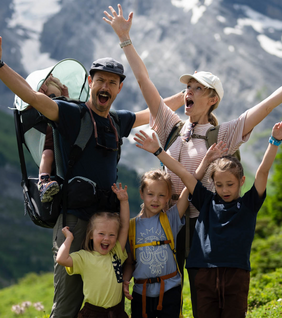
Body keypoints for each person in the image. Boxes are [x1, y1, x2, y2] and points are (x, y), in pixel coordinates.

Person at [104, 4, 282, 316]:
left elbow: (268, 104)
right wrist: (125, 39)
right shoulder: (169, 124)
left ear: (212, 98)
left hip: (202, 221)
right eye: (186, 86)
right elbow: (144, 81)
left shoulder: (226, 133)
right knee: (159, 288)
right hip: (166, 217)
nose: (187, 91)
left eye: (196, 88)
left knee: (199, 290)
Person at [0, 35, 183, 318]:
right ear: (90, 82)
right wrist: (0, 65)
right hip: (74, 221)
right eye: (100, 80)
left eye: (112, 82)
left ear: (119, 88)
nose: (105, 86)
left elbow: (153, 111)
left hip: (109, 222)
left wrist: (185, 96)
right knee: (69, 300)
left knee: (110, 299)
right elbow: (32, 97)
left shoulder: (117, 120)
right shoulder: (70, 113)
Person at [134, 116, 282, 318]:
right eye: (219, 185)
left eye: (230, 184)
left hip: (236, 274)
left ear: (242, 181)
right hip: (203, 273)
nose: (224, 189)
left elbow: (262, 172)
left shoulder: (249, 204)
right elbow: (184, 174)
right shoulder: (206, 201)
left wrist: (274, 141)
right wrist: (158, 151)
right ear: (213, 184)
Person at [122, 168, 217, 318]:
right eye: (150, 194)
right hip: (141, 292)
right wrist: (126, 280)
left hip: (170, 290)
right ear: (141, 194)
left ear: (168, 197)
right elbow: (129, 262)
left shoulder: (170, 219)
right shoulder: (131, 227)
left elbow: (189, 187)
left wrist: (205, 162)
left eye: (161, 195)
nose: (155, 199)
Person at [56, 183, 130, 318]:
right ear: (91, 235)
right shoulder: (84, 257)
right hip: (93, 313)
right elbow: (61, 259)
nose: (106, 239)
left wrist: (124, 201)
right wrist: (68, 239)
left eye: (112, 235)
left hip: (117, 312)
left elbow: (125, 226)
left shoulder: (117, 253)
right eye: (101, 234)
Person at [37, 74, 70, 203]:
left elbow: (69, 106)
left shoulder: (62, 110)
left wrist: (65, 94)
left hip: (65, 147)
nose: (54, 101)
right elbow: (34, 100)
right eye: (50, 97)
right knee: (47, 154)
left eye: (57, 98)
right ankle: (43, 182)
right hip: (50, 147)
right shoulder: (41, 110)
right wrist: (42, 90)